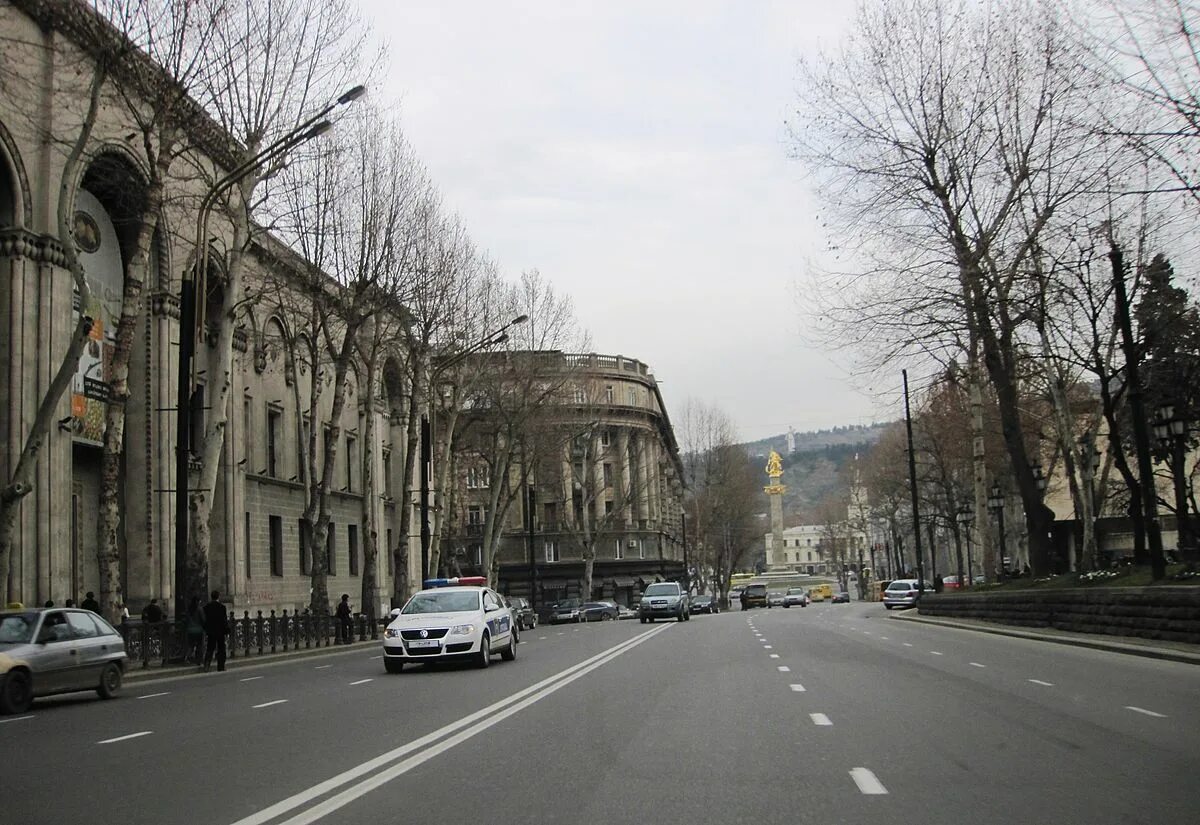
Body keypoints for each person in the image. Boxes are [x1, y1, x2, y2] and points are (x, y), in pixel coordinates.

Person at [202, 591, 229, 672]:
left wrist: (206, 629)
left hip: (211, 631)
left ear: (211, 597)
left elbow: (205, 620)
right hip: (220, 631)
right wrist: (226, 631)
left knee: (210, 648)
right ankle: (221, 666)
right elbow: (224, 620)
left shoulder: (206, 607)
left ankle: (207, 665)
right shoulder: (222, 607)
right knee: (221, 649)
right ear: (218, 597)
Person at [185, 595, 205, 664]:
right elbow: (203, 619)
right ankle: (199, 659)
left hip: (190, 630)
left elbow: (186, 619)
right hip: (198, 629)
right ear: (197, 601)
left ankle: (187, 658)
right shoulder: (199, 609)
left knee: (191, 645)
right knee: (199, 645)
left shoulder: (189, 609)